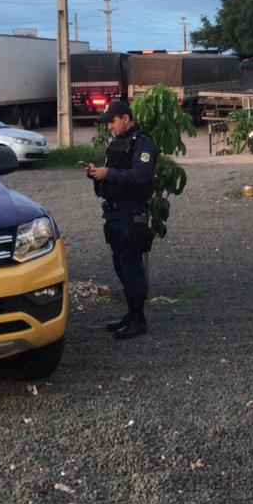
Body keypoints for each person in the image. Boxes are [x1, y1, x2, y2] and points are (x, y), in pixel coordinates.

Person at [85, 100, 158, 340]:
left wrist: (110, 174)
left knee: (131, 264)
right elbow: (114, 174)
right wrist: (97, 174)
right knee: (120, 264)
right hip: (115, 212)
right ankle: (130, 314)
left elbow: (141, 175)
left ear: (125, 118)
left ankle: (139, 320)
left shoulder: (143, 143)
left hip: (131, 212)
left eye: (112, 122)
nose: (110, 127)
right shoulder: (118, 143)